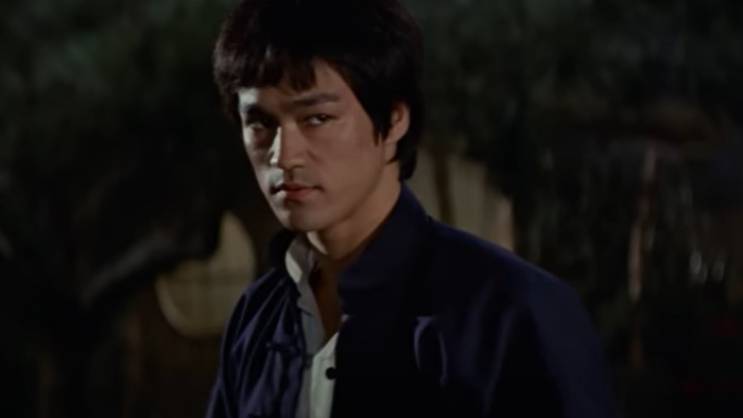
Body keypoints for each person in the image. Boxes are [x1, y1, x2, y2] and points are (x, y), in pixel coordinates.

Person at [205, 1, 616, 417]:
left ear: (395, 119)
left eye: (317, 118)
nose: (283, 155)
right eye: (260, 123)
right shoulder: (257, 319)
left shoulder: (510, 313)